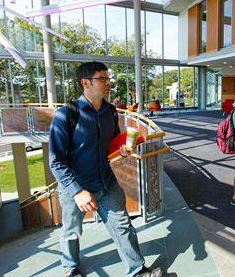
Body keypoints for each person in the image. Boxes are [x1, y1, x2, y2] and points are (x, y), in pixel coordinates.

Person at [49, 62, 163, 277]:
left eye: (108, 78)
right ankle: (70, 269)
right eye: (102, 79)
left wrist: (123, 150)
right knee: (72, 231)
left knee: (123, 227)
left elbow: (112, 145)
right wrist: (77, 191)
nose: (108, 83)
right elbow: (56, 161)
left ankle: (137, 271)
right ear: (86, 83)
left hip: (106, 182)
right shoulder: (66, 115)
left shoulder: (110, 111)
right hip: (76, 186)